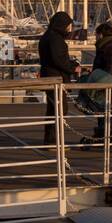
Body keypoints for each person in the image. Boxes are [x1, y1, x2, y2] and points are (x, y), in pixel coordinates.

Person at [38, 11, 77, 145]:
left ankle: (50, 139)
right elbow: (59, 59)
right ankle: (54, 140)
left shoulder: (47, 36)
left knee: (53, 109)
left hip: (48, 76)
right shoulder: (55, 38)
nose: (68, 29)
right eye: (67, 26)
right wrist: (73, 68)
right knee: (60, 109)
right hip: (55, 78)